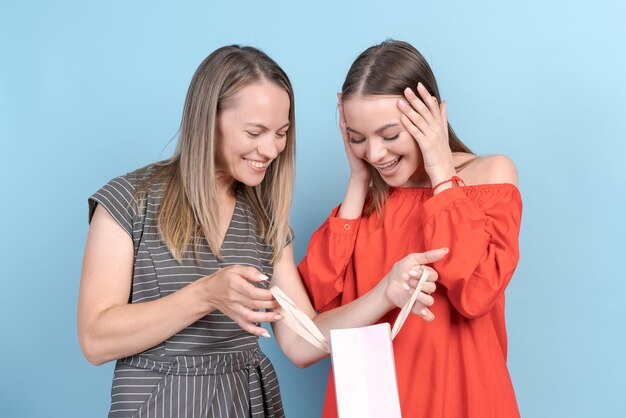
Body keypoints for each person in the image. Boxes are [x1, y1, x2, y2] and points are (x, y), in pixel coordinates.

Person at [78, 44, 446, 418]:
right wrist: (206, 295)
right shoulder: (129, 201)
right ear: (208, 120)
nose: (271, 149)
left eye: (281, 133)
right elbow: (95, 340)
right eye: (255, 131)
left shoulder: (263, 221)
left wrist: (387, 292)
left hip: (246, 404)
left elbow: (305, 344)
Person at [298, 40, 523, 418]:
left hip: (462, 396)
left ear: (430, 117)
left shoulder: (490, 175)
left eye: (389, 136)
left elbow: (476, 293)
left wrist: (440, 170)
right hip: (371, 401)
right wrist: (357, 182)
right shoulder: (367, 201)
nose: (374, 154)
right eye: (357, 139)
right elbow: (319, 306)